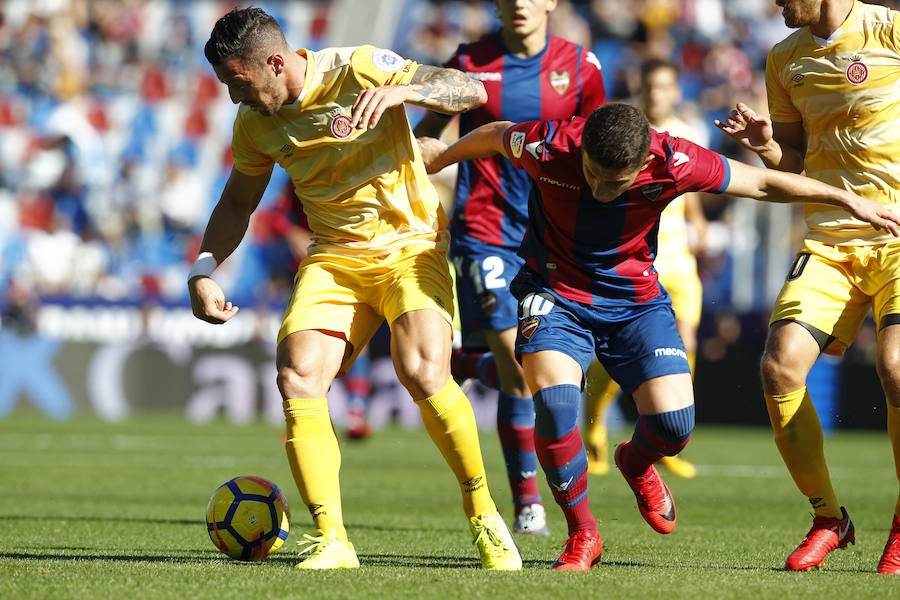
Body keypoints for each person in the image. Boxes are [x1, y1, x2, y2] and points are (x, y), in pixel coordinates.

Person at [418, 102, 900, 571]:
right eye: (592, 172)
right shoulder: (549, 143)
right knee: (555, 407)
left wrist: (846, 198)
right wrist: (441, 156)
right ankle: (583, 533)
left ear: (644, 160)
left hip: (635, 303)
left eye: (616, 181)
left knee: (674, 428)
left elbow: (761, 181)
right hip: (555, 293)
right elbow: (495, 132)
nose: (601, 188)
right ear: (580, 148)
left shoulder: (675, 160)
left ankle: (635, 460)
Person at [189, 7, 521, 571]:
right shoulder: (255, 123)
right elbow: (239, 201)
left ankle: (485, 514)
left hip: (410, 247)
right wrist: (202, 268)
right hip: (335, 258)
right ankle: (333, 539)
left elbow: (469, 90)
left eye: (238, 83)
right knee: (297, 373)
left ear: (275, 62)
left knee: (422, 371)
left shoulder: (360, 68)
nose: (232, 99)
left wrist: (403, 93)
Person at [714, 0, 900, 574]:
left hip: (896, 234)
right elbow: (794, 162)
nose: (774, 3)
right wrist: (767, 146)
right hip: (830, 240)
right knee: (779, 366)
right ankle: (828, 519)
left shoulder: (890, 29)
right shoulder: (784, 58)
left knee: (896, 368)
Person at [413, 0, 606, 537]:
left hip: (551, 233)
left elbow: (599, 147)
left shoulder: (582, 66)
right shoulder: (470, 60)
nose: (519, 2)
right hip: (486, 229)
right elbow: (428, 130)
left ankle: (468, 366)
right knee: (520, 371)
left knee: (528, 370)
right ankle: (528, 503)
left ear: (552, 3)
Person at [582, 57, 706, 479]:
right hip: (636, 258)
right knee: (621, 353)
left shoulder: (690, 132)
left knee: (686, 342)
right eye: (651, 87)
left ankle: (665, 435)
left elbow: (691, 186)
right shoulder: (625, 131)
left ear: (675, 91)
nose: (657, 95)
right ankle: (594, 429)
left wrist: (699, 224)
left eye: (665, 87)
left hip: (678, 257)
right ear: (642, 88)